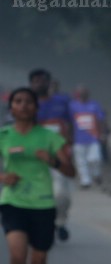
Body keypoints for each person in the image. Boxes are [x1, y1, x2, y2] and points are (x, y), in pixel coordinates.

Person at [1, 87, 77, 264]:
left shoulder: (49, 137)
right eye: (18, 101)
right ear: (11, 107)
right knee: (17, 254)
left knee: (38, 262)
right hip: (14, 201)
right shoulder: (4, 135)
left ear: (36, 108)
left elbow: (70, 171)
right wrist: (3, 176)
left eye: (28, 102)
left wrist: (53, 161)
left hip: (43, 204)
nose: (23, 106)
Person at [29, 70, 75, 242]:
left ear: (50, 83)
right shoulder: (26, 104)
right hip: (33, 159)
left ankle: (60, 222)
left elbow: (71, 125)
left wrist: (71, 147)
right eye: (36, 81)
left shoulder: (62, 102)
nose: (39, 84)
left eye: (43, 80)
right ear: (31, 84)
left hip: (58, 156)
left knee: (61, 195)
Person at [69, 86, 107, 190]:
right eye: (81, 92)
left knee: (95, 159)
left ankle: (96, 174)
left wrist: (103, 133)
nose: (83, 94)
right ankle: (85, 181)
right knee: (81, 161)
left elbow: (101, 120)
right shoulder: (73, 106)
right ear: (78, 94)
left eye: (85, 92)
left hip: (93, 137)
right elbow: (69, 123)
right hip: (78, 139)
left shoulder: (94, 105)